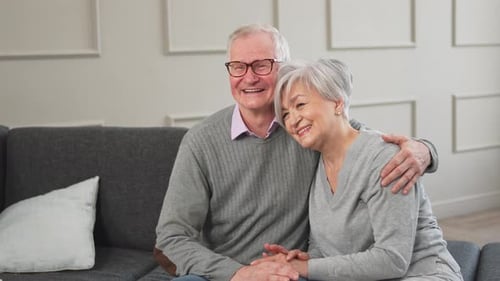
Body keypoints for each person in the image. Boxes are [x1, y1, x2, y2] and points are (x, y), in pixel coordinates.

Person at [155, 24, 438, 281]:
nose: (249, 77)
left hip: (287, 272)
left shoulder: (308, 131)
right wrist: (239, 273)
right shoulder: (200, 142)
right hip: (221, 274)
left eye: (262, 65)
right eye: (238, 66)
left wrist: (425, 150)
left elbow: (361, 140)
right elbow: (171, 238)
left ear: (283, 69)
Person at [251, 58, 462, 280]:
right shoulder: (317, 164)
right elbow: (324, 246)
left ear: (337, 103)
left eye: (300, 105)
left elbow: (393, 259)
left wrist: (305, 268)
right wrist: (305, 259)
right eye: (285, 114)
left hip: (423, 274)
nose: (292, 119)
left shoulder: (384, 159)